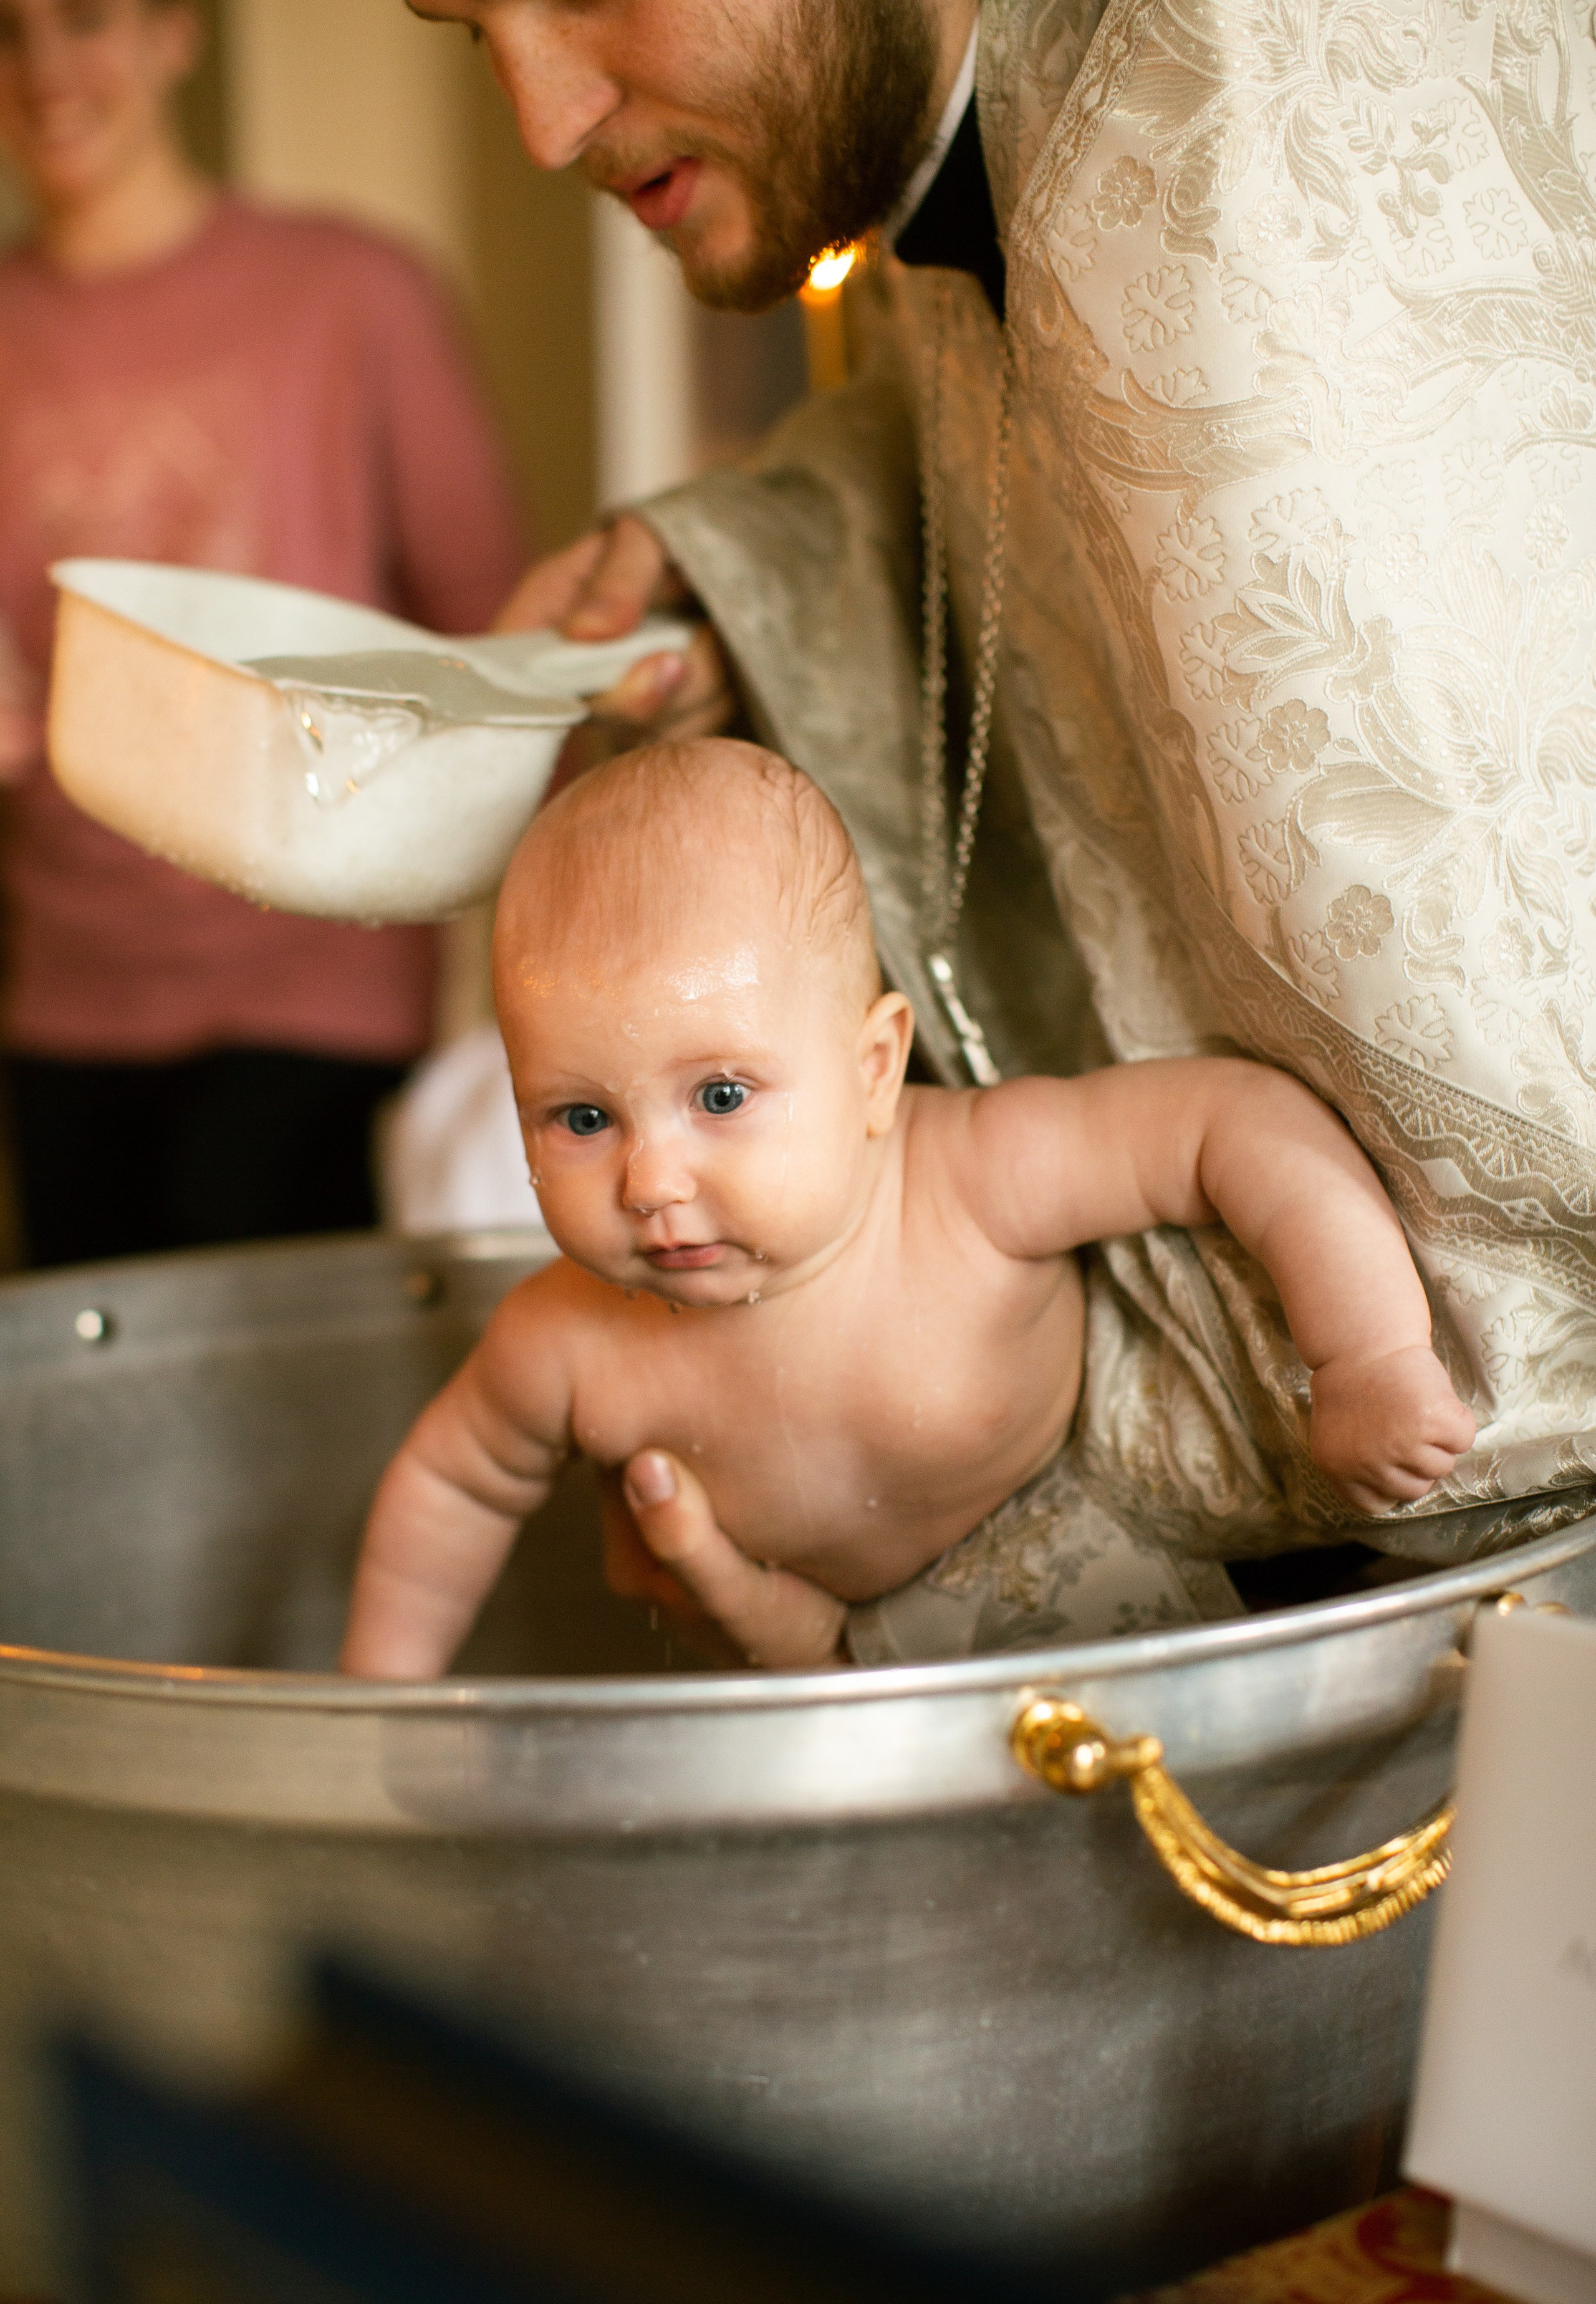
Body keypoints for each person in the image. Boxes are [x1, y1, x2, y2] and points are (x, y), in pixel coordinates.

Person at [401, 0, 1596, 1665]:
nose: (539, 119)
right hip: (1205, 1473)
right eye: (467, 30)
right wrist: (734, 577)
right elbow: (1000, 460)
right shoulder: (940, 161)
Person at [342, 742, 1475, 1677]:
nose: (650, 1182)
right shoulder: (563, 1340)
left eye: (721, 1097)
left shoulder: (973, 1179)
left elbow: (1228, 1124)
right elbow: (451, 1483)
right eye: (580, 1119)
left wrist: (1365, 1352)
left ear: (876, 1068)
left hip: (1107, 1574)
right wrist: (379, 1699)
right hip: (842, 1666)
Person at [0, 0, 526, 1266]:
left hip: (321, 991)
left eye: (85, 19)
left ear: (173, 32)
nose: (48, 70)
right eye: (7, 32)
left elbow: (499, 637)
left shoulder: (354, 293)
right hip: (67, 994)